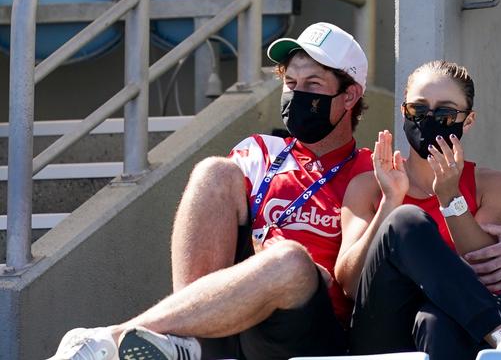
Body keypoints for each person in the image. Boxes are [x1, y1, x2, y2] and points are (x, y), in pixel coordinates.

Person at [48, 22, 371, 360]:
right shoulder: (261, 151)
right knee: (212, 171)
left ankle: (109, 340)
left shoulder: (370, 170)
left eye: (313, 84)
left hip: (310, 326)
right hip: (238, 315)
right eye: (290, 83)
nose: (297, 94)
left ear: (349, 95)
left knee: (289, 260)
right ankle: (185, 341)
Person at [339, 60, 501, 359]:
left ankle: (494, 330)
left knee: (436, 320)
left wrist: (450, 197)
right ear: (403, 111)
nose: (428, 120)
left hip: (453, 331)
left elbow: (488, 274)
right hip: (382, 333)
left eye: (445, 113)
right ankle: (499, 330)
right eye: (418, 110)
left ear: (467, 121)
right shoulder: (367, 186)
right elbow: (351, 286)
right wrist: (390, 202)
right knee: (405, 219)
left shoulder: (493, 185)